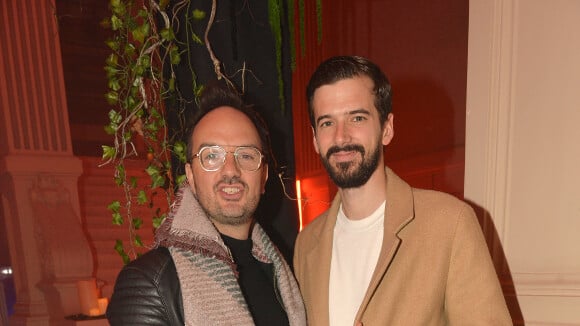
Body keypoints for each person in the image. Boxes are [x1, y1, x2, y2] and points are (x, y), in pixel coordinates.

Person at [293, 55, 512, 325]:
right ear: (315, 140)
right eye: (327, 123)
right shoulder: (306, 245)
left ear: (387, 129)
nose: (341, 136)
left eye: (357, 118)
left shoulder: (450, 223)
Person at [107, 84, 306, 325]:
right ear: (190, 176)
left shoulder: (281, 273)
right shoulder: (150, 285)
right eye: (211, 156)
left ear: (263, 177)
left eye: (246, 155)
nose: (231, 170)